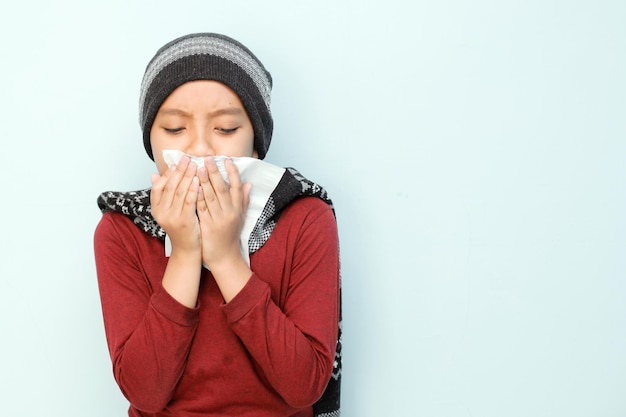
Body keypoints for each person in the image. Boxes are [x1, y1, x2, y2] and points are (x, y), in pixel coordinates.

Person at [94, 33, 341, 417]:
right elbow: (145, 392)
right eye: (175, 129)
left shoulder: (305, 218)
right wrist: (186, 252)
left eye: (225, 129)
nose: (200, 149)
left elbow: (303, 386)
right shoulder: (122, 230)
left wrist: (225, 257)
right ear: (151, 142)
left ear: (256, 144)